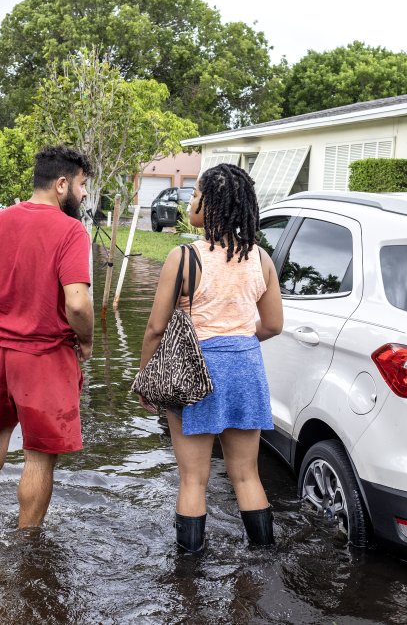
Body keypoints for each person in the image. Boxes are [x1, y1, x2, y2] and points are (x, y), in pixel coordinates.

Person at [137, 163, 284, 553]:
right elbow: (272, 325)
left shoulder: (183, 258)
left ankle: (189, 573)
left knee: (193, 479)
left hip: (194, 371)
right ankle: (264, 557)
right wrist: (237, 342)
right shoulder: (262, 259)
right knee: (247, 475)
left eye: (197, 195)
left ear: (212, 206)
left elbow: (155, 329)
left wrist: (146, 376)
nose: (191, 203)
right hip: (246, 368)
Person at [0, 145, 94, 528]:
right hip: (43, 355)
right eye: (81, 185)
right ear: (62, 184)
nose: (84, 194)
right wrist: (88, 340)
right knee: (39, 454)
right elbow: (77, 305)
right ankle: (28, 542)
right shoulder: (71, 230)